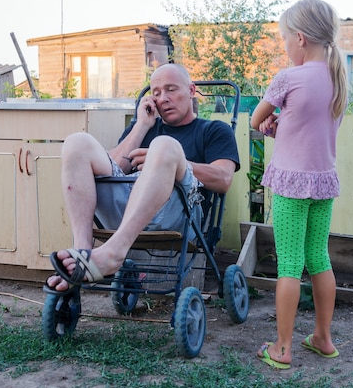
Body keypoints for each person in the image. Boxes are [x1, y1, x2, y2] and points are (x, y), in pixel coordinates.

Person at [45, 63, 240, 291]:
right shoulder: (145, 128)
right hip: (128, 212)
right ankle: (83, 255)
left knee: (164, 146)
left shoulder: (213, 130)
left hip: (179, 216)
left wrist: (168, 162)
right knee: (76, 142)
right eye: (156, 93)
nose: (163, 98)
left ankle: (114, 252)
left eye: (171, 89)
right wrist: (141, 126)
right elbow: (113, 169)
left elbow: (224, 179)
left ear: (191, 90)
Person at [251, 0, 347, 369]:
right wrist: (283, 128)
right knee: (319, 258)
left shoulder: (288, 78)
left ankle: (283, 348)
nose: (286, 46)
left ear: (301, 38)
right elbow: (308, 130)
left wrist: (270, 125)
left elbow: (258, 119)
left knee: (289, 265)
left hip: (292, 185)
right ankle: (323, 337)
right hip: (324, 183)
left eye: (285, 39)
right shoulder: (338, 78)